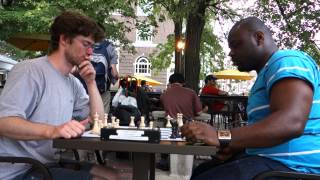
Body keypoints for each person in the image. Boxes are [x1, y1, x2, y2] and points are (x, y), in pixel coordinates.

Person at [181, 16, 320, 180]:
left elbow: (291, 122)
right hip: (272, 161)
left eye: (236, 45)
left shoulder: (287, 60)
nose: (230, 53)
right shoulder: (267, 74)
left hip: (295, 168)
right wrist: (237, 146)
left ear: (259, 38)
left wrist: (222, 135)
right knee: (201, 171)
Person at [0, 11, 121, 180]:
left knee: (112, 175)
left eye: (92, 46)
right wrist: (53, 130)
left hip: (46, 163)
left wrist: (91, 83)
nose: (90, 53)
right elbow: (4, 123)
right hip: (19, 169)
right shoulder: (30, 71)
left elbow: (97, 121)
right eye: (86, 44)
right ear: (64, 40)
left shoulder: (73, 82)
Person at [75, 23, 119, 114]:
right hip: (102, 92)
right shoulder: (109, 47)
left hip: (83, 89)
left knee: (82, 119)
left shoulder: (83, 45)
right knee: (101, 121)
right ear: (104, 34)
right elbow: (114, 72)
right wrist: (114, 78)